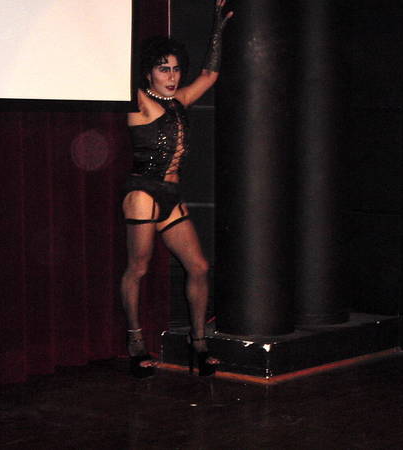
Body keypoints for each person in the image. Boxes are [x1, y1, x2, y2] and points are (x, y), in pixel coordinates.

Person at [121, 0, 233, 378]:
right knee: (138, 267)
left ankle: (197, 342)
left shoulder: (180, 99)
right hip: (142, 193)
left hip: (171, 195)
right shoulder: (138, 101)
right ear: (148, 72)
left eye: (175, 68)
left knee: (198, 267)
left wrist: (217, 29)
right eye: (162, 68)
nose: (171, 76)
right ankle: (135, 342)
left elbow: (210, 75)